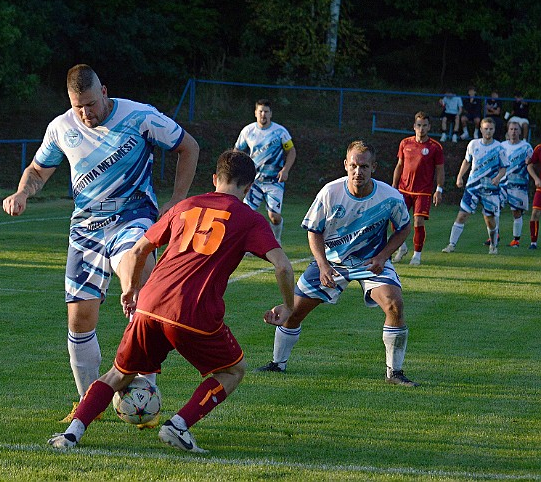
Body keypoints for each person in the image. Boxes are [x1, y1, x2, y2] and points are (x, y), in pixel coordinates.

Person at [48, 150, 295, 452]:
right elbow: (282, 265)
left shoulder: (185, 205)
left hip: (150, 302)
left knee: (118, 374)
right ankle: (178, 426)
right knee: (233, 370)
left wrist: (130, 288)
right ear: (249, 187)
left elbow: (139, 251)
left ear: (215, 179)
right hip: (193, 309)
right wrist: (289, 306)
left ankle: (71, 434)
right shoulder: (249, 219)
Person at [2, 64, 199, 422]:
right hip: (85, 230)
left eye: (91, 104)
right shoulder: (61, 127)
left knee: (137, 286)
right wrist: (22, 192)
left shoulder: (140, 117)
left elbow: (189, 146)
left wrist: (176, 199)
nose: (85, 113)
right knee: (79, 319)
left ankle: (145, 391)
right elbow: (37, 170)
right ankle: (87, 402)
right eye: (78, 106)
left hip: (133, 217)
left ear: (104, 91)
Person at [257, 140, 418, 387]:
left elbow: (404, 227)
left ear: (373, 167)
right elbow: (314, 230)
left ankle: (394, 373)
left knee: (394, 305)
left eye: (364, 166)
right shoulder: (330, 193)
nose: (358, 171)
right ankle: (278, 364)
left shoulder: (390, 197)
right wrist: (322, 265)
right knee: (294, 311)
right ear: (345, 165)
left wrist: (384, 255)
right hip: (332, 261)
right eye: (353, 165)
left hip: (371, 262)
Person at [442, 118, 508, 255]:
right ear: (481, 129)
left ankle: (493, 246)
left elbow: (503, 168)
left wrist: (497, 178)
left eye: (491, 129)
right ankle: (451, 244)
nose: (488, 131)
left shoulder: (499, 147)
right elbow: (467, 161)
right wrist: (460, 176)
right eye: (486, 128)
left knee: (490, 219)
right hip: (473, 186)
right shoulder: (473, 144)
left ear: (494, 130)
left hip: (490, 189)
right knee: (462, 215)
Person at [234, 99, 296, 243]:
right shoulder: (248, 131)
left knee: (274, 217)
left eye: (266, 111)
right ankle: (247, 243)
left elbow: (291, 151)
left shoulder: (280, 132)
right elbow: (237, 150)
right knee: (246, 214)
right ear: (255, 113)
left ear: (271, 114)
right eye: (260, 111)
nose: (263, 114)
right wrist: (239, 170)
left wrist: (285, 170)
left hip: (274, 181)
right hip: (253, 181)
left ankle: (276, 241)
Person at [392, 112, 445, 265]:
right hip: (403, 189)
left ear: (429, 127)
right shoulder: (405, 143)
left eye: (425, 125)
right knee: (395, 219)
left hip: (423, 191)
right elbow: (400, 165)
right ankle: (401, 247)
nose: (421, 129)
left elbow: (440, 170)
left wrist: (439, 189)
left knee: (418, 221)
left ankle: (417, 255)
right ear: (414, 126)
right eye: (419, 125)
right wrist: (394, 186)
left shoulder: (435, 147)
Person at [498, 121, 533, 247]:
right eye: (511, 129)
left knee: (516, 212)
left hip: (519, 185)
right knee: (494, 209)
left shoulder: (526, 147)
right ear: (508, 131)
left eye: (516, 129)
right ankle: (494, 235)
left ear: (520, 131)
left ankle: (516, 240)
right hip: (502, 184)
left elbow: (533, 164)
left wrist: (530, 163)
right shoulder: (501, 146)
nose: (513, 131)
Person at [527, 143, 541, 249]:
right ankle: (533, 243)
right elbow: (530, 165)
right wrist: (536, 178)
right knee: (535, 213)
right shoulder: (539, 148)